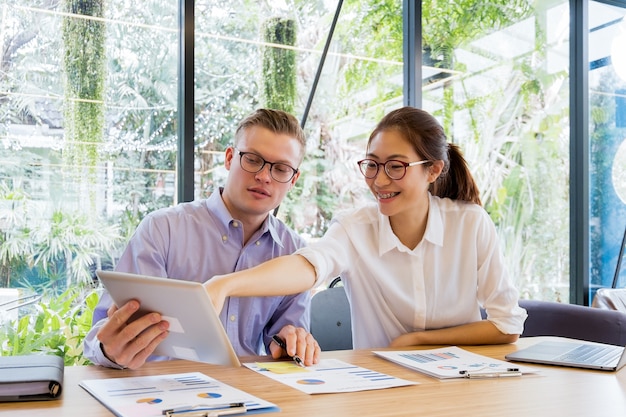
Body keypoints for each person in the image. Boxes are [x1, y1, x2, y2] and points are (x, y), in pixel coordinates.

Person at [205, 106, 527, 350]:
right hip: (381, 391)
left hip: (463, 388)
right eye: (372, 165)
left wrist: (415, 341)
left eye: (396, 166)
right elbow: (308, 266)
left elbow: (507, 324)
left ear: (433, 170)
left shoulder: (470, 224)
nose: (380, 180)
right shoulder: (355, 228)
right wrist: (225, 285)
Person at [84, 108, 321, 369]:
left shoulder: (294, 254)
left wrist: (289, 341)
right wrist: (109, 349)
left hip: (247, 394)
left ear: (294, 179)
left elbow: (282, 340)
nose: (264, 176)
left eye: (281, 168)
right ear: (230, 158)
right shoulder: (163, 229)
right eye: (252, 160)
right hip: (159, 392)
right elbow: (101, 335)